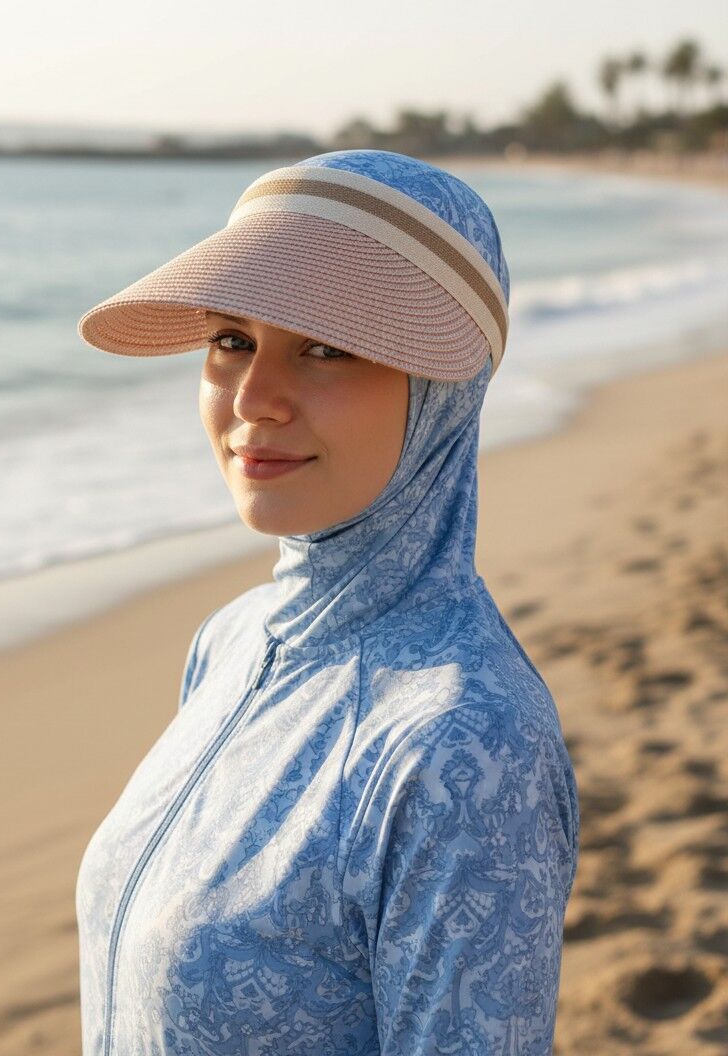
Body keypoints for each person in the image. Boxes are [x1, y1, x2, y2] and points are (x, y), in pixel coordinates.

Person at [74, 149, 580, 1055]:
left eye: (325, 348)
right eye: (232, 340)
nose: (254, 400)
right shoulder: (228, 642)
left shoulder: (461, 743)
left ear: (443, 393)